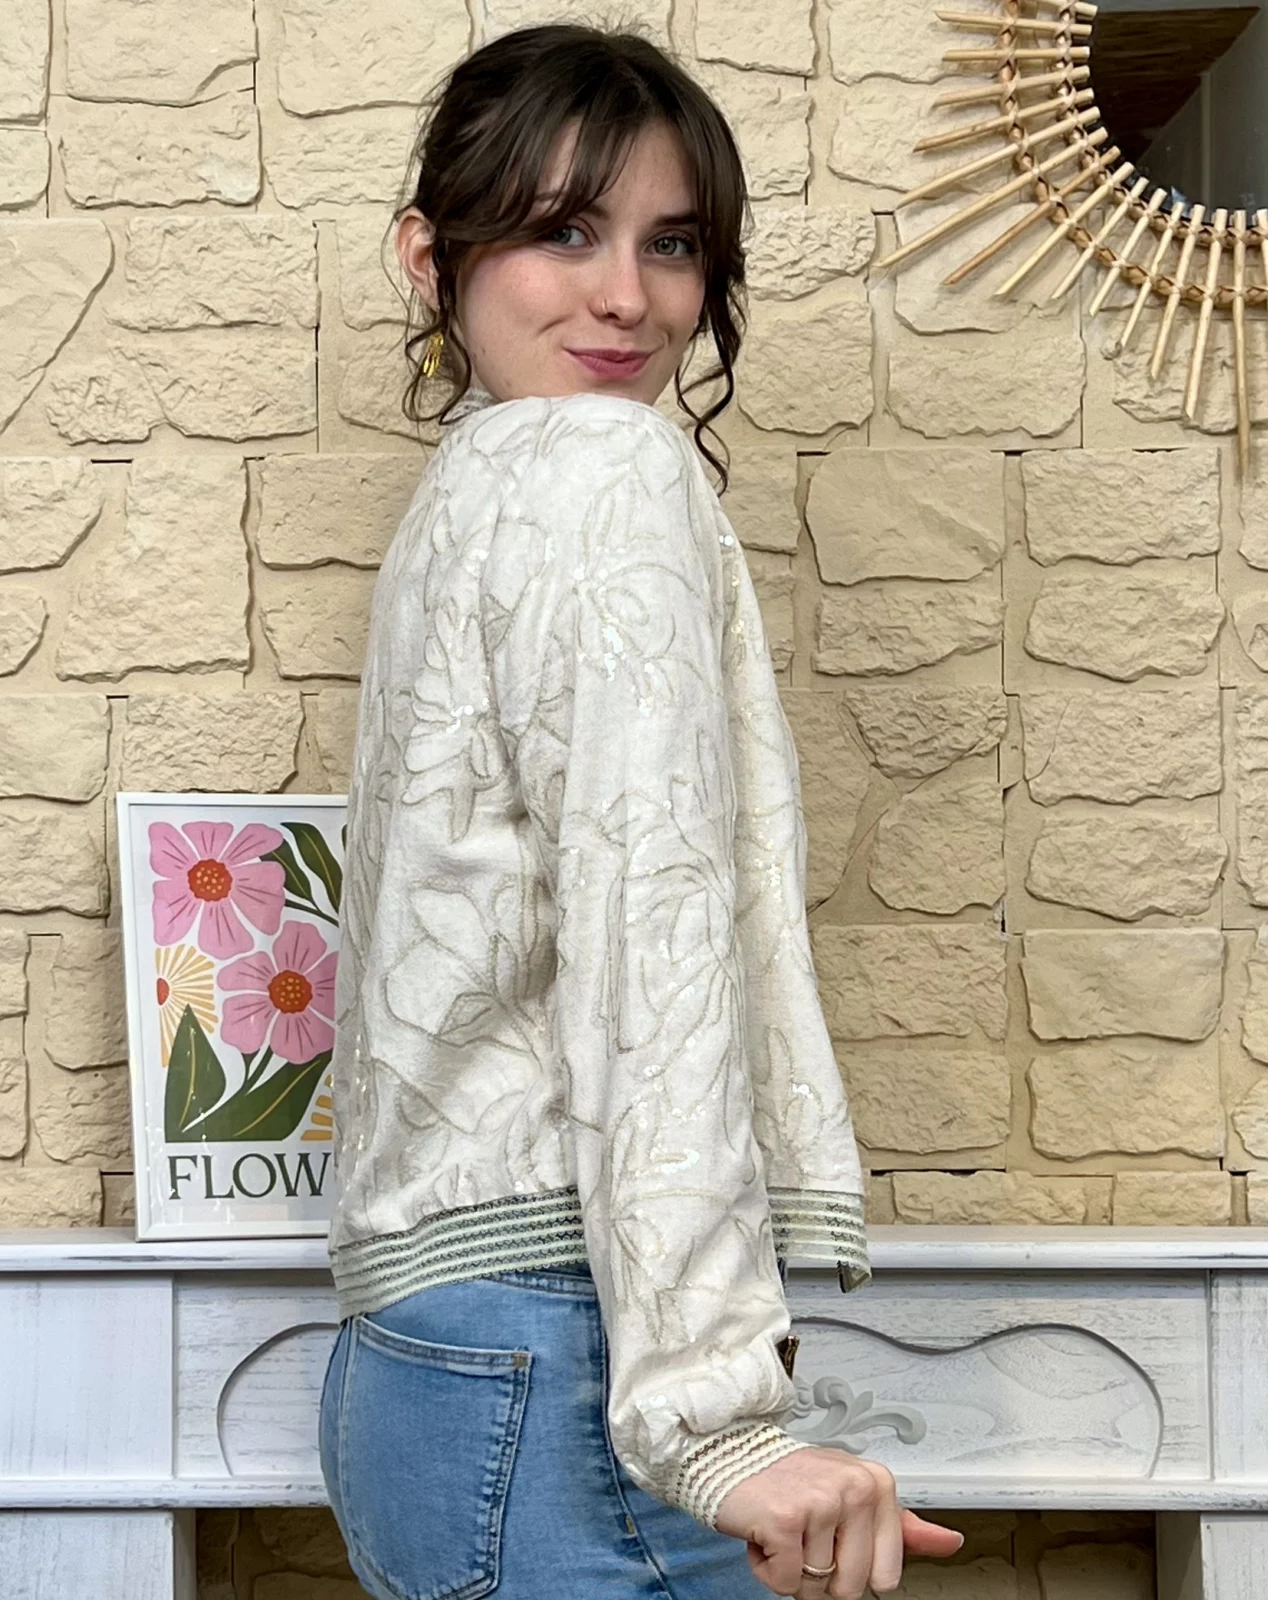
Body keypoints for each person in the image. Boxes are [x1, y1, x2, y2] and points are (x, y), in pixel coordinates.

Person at [318, 25, 964, 1600]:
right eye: (563, 231)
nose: (627, 297)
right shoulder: (604, 470)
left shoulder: (470, 492)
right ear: (429, 254)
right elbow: (645, 935)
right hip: (560, 1361)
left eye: (671, 245)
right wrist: (722, 1422)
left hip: (425, 1369)